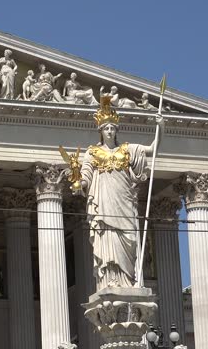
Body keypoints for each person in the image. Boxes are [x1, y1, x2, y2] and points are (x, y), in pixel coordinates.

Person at [75, 96, 164, 289]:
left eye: (112, 128)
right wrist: (80, 183)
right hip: (104, 202)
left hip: (123, 202)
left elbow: (152, 149)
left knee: (128, 237)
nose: (109, 131)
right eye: (106, 128)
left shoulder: (127, 150)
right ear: (101, 131)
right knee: (108, 237)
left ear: (116, 131)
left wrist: (161, 126)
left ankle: (127, 280)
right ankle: (110, 279)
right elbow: (86, 175)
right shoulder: (92, 153)